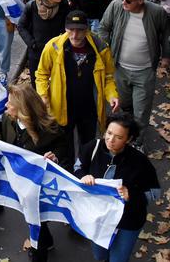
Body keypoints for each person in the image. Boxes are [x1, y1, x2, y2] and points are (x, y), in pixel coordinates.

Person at [0, 84, 69, 262]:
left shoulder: (50, 129)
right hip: (9, 176)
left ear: (23, 109)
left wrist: (55, 158)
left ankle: (41, 251)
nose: (6, 105)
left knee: (36, 221)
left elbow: (64, 152)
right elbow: (7, 138)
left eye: (10, 103)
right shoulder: (9, 119)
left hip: (33, 186)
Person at [77, 113, 160, 262]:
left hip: (128, 221)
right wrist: (83, 176)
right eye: (109, 133)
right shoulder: (92, 148)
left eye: (118, 137)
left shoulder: (139, 161)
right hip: (99, 216)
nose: (110, 140)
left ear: (128, 140)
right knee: (99, 254)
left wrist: (132, 196)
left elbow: (155, 191)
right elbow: (78, 167)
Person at [35, 10, 119, 162]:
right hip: (61, 106)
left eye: (79, 30)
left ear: (87, 29)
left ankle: (84, 171)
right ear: (65, 28)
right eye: (70, 30)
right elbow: (41, 74)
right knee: (64, 144)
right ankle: (68, 172)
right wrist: (43, 95)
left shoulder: (101, 48)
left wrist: (112, 95)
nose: (74, 35)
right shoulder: (53, 47)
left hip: (89, 108)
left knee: (87, 144)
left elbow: (108, 76)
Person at [97, 0, 170, 143]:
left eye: (128, 1)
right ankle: (123, 139)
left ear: (140, 1)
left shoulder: (156, 12)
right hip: (120, 70)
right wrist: (106, 50)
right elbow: (103, 27)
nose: (123, 2)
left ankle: (137, 144)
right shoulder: (116, 6)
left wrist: (166, 56)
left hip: (144, 72)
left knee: (141, 113)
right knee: (123, 108)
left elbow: (167, 32)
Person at [18, 0, 71, 79]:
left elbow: (68, 27)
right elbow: (21, 26)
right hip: (37, 55)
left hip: (57, 54)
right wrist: (32, 44)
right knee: (37, 87)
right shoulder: (32, 6)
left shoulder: (64, 6)